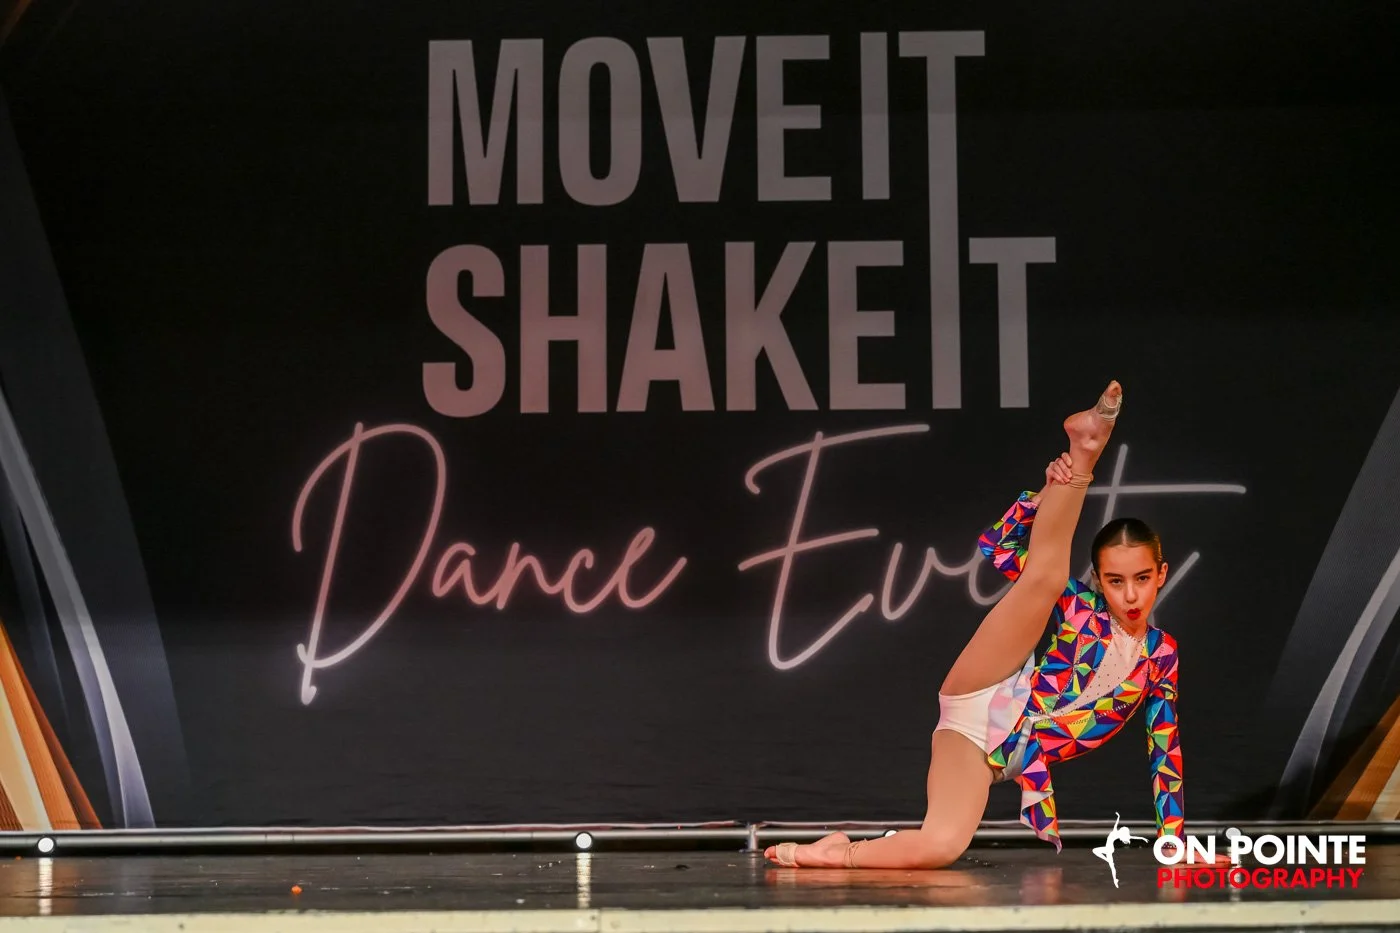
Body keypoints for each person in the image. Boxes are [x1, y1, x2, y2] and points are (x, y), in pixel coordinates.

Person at [766, 381, 1210, 869]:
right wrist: (1048, 490)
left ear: (1162, 575)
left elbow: (1164, 748)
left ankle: (836, 852)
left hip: (990, 753)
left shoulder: (1161, 656)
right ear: (1100, 582)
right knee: (1044, 578)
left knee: (941, 846)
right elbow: (998, 547)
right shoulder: (1080, 606)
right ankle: (1085, 448)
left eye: (1143, 579)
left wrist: (1174, 841)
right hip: (984, 691)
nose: (1130, 595)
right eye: (1115, 580)